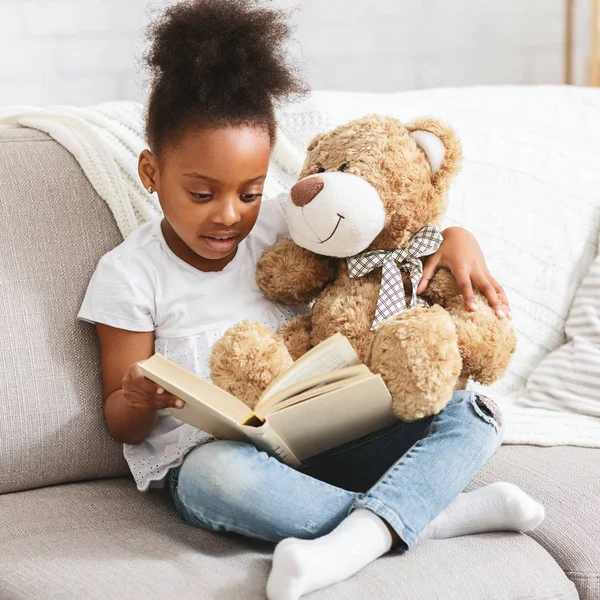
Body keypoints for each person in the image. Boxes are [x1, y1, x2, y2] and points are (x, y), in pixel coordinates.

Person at [77, 1, 544, 599]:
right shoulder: (130, 275)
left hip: (331, 443)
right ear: (151, 172)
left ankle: (362, 531)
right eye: (201, 193)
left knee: (469, 412)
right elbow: (123, 420)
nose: (228, 215)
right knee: (213, 480)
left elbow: (387, 225)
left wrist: (458, 239)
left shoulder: (285, 224)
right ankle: (426, 519)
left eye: (248, 192)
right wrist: (138, 396)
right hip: (224, 462)